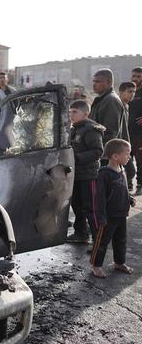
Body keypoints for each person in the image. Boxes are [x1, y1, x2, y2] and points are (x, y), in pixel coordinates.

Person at [90, 139, 136, 278]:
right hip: (108, 216)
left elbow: (124, 189)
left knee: (121, 240)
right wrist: (101, 216)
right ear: (115, 156)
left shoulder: (122, 170)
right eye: (127, 154)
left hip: (121, 214)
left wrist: (130, 199)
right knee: (102, 242)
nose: (129, 156)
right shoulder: (105, 174)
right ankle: (95, 265)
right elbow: (100, 197)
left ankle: (119, 262)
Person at [66, 100, 104, 244]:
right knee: (77, 205)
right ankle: (80, 233)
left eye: (75, 112)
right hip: (75, 175)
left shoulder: (91, 129)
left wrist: (75, 158)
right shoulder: (74, 128)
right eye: (70, 112)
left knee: (91, 209)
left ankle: (98, 240)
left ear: (85, 113)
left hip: (88, 175)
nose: (71, 115)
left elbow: (98, 151)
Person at [89, 69, 128, 145]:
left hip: (111, 151)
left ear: (108, 82)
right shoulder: (102, 99)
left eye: (98, 81)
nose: (94, 84)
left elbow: (111, 133)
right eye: (93, 81)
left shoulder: (111, 100)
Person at [119, 81, 137, 190]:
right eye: (129, 91)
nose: (132, 94)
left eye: (134, 92)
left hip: (125, 143)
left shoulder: (126, 105)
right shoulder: (117, 104)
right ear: (121, 92)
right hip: (118, 144)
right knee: (130, 170)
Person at [129, 67, 142, 195]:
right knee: (127, 159)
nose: (136, 79)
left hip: (140, 134)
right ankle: (127, 186)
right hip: (128, 132)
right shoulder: (129, 91)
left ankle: (140, 185)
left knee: (140, 161)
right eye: (134, 76)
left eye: (138, 76)